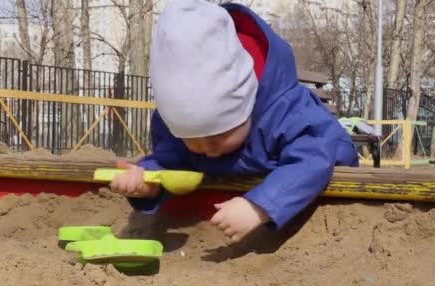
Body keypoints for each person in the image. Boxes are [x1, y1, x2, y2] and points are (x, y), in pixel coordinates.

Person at [111, 0, 358, 242]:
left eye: (217, 136)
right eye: (192, 141)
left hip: (324, 179)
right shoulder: (178, 131)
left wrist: (259, 206)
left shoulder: (287, 114)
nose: (207, 149)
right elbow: (170, 159)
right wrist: (149, 182)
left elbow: (314, 157)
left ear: (244, 107)